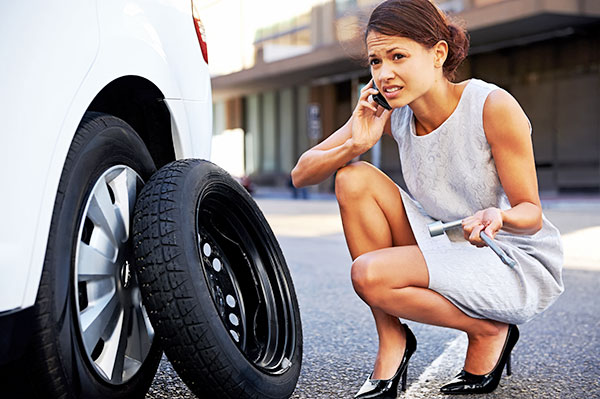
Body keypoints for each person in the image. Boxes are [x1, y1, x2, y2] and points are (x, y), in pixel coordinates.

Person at [290, 0, 564, 397]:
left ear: (438, 53)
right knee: (352, 178)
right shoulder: (390, 112)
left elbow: (532, 214)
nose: (385, 74)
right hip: (449, 239)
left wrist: (497, 216)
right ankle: (393, 341)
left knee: (368, 273)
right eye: (375, 62)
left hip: (506, 253)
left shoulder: (491, 106)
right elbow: (302, 173)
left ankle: (487, 330)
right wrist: (356, 143)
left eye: (398, 56)